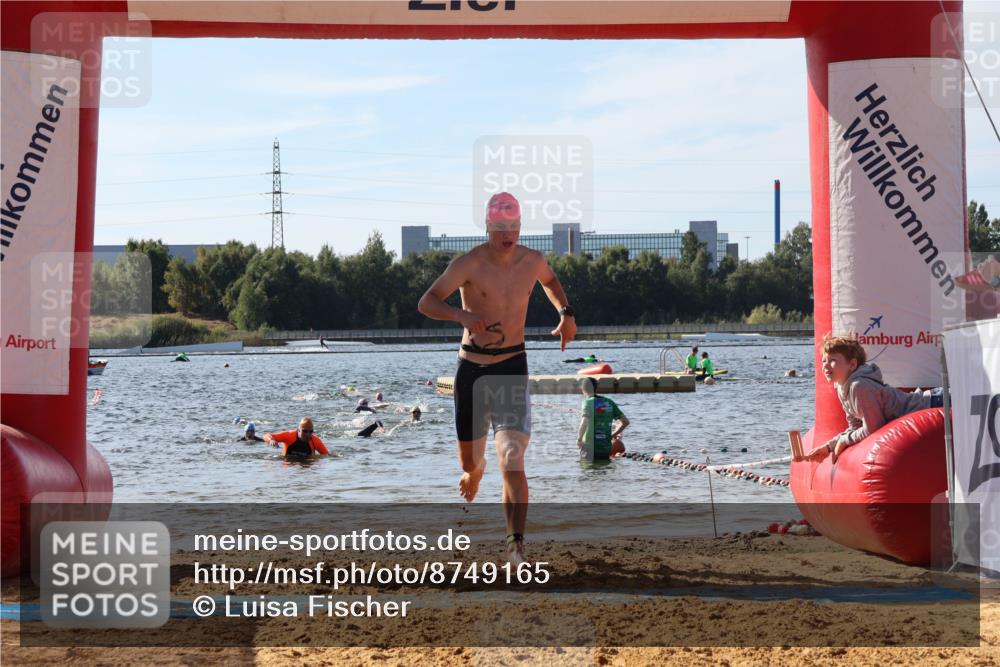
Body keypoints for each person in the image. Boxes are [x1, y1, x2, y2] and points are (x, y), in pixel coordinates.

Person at [417, 191, 577, 563]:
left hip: (511, 367)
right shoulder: (468, 264)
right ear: (488, 226)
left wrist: (566, 313)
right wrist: (461, 316)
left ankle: (515, 546)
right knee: (469, 463)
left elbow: (552, 282)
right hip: (472, 371)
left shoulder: (532, 260)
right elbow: (427, 302)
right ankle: (475, 471)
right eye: (501, 228)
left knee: (512, 458)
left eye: (514, 227)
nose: (508, 235)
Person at [808, 335, 942, 463]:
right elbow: (855, 427)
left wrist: (844, 440)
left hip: (933, 402)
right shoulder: (842, 387)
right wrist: (829, 447)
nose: (825, 365)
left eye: (832, 360)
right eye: (824, 360)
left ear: (852, 364)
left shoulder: (859, 386)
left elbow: (873, 428)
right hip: (931, 400)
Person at [576, 378, 629, 461]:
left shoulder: (587, 402)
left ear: (583, 388)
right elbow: (625, 422)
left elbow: (584, 422)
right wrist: (613, 435)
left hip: (589, 448)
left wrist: (579, 439)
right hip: (606, 449)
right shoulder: (609, 402)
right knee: (604, 467)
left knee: (587, 468)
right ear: (596, 388)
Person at [263, 417, 330, 459]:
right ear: (298, 430)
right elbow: (266, 436)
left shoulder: (315, 441)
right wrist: (271, 440)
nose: (308, 434)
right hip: (289, 466)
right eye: (305, 431)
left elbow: (327, 455)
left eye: (311, 431)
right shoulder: (289, 436)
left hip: (307, 466)